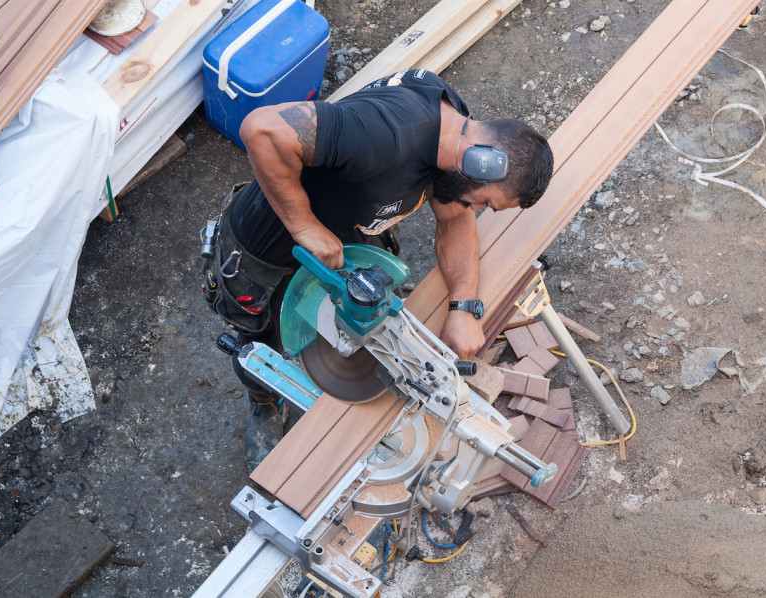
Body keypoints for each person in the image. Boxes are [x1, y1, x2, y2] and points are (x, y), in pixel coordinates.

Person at [203, 69, 554, 470]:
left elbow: (455, 220)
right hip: (262, 252)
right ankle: (265, 402)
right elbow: (262, 129)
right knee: (260, 344)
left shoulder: (454, 138)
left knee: (361, 320)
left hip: (344, 241)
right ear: (479, 162)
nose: (475, 211)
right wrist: (305, 227)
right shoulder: (388, 132)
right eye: (485, 202)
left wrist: (464, 307)